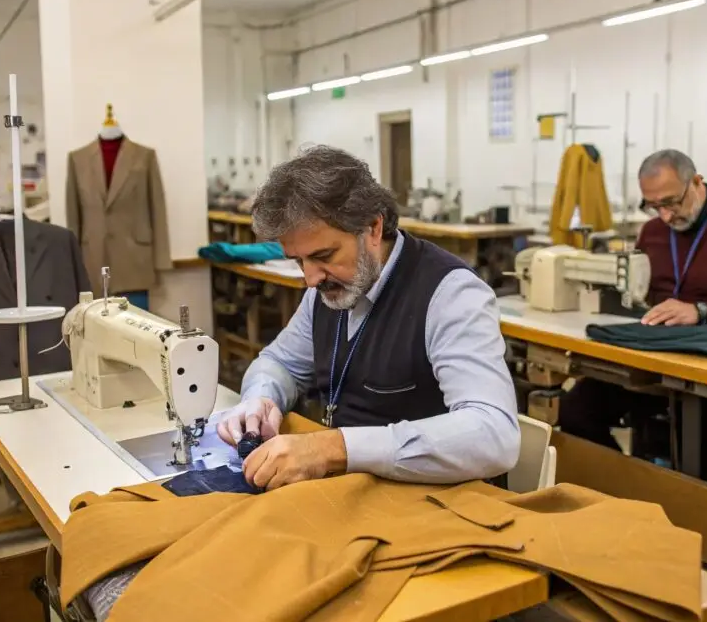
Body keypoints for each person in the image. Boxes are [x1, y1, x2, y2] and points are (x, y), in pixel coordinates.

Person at [216, 145, 520, 490]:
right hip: (358, 491)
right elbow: (280, 362)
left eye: (324, 255)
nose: (311, 278)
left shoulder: (451, 294)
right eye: (299, 261)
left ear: (373, 228)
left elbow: (494, 435)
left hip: (440, 500)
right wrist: (261, 399)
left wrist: (335, 448)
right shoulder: (325, 291)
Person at [558, 149, 707, 479]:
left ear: (697, 182)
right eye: (653, 206)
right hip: (656, 356)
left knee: (687, 449)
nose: (666, 216)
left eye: (671, 202)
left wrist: (702, 312)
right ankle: (632, 488)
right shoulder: (653, 232)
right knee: (574, 412)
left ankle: (685, 504)